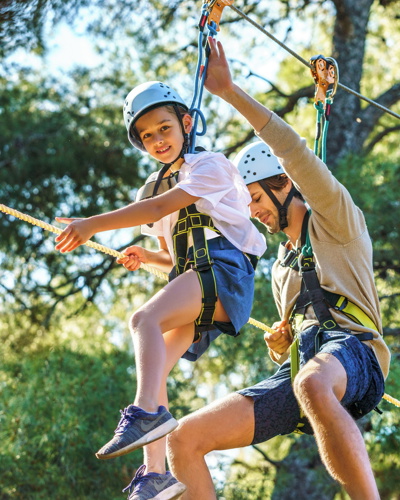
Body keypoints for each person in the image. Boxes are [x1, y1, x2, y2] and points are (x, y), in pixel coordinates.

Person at [166, 38, 391, 500]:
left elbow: (290, 148)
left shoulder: (336, 218)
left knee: (312, 381)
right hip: (307, 369)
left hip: (356, 355)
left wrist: (227, 91)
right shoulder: (280, 268)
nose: (252, 212)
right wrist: (281, 345)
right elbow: (298, 343)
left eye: (255, 198)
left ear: (283, 184)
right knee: (183, 439)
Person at [54, 80, 266, 499]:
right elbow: (173, 256)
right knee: (156, 367)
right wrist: (147, 257)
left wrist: (90, 224)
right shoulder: (151, 185)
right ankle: (155, 474)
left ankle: (144, 413)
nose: (157, 140)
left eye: (164, 128)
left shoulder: (209, 165)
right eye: (147, 136)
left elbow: (157, 210)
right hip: (197, 279)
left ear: (186, 123)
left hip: (225, 273)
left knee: (143, 319)